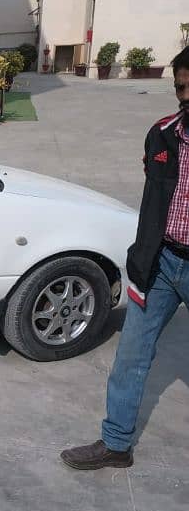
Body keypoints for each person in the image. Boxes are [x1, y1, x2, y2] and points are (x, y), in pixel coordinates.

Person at [61, 46, 189, 470]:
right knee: (132, 353)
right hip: (161, 265)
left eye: (188, 88)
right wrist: (141, 256)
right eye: (179, 88)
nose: (183, 96)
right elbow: (155, 198)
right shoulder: (164, 133)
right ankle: (116, 443)